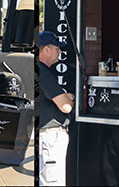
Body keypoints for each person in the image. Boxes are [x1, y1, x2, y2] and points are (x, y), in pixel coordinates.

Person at [39, 31, 73, 186]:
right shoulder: (43, 73)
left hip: (46, 135)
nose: (60, 51)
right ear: (46, 49)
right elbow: (65, 106)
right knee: (52, 182)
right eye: (56, 48)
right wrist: (69, 97)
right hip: (50, 137)